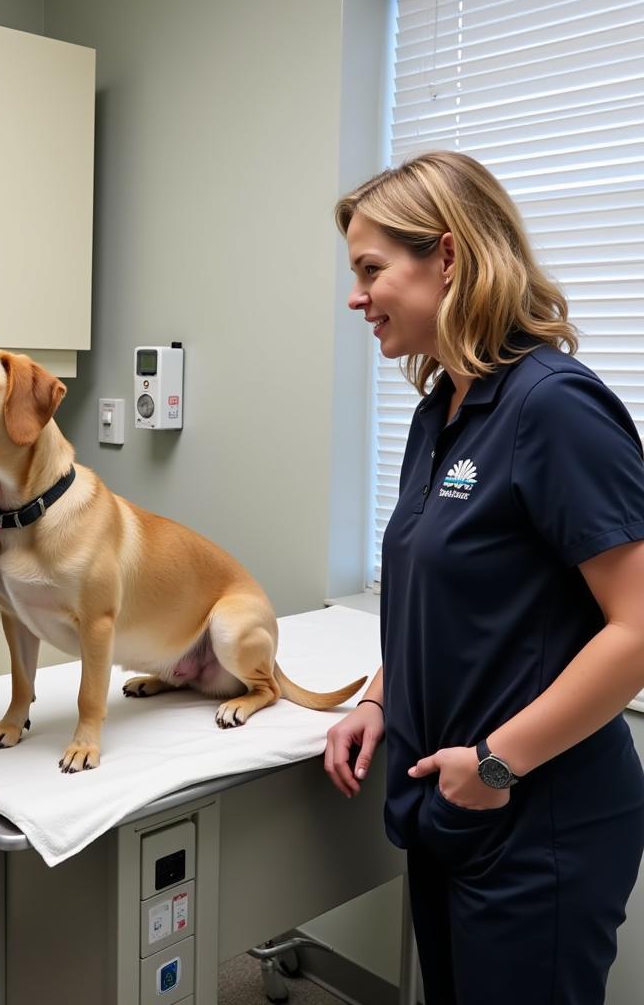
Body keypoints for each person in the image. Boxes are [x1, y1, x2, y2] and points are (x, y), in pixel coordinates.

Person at [324, 150, 644, 1004]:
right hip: (454, 807)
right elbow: (438, 600)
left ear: (450, 257)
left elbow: (638, 629)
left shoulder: (555, 405)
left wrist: (497, 766)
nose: (356, 297)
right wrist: (379, 700)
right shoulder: (443, 411)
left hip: (541, 818)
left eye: (371, 269)